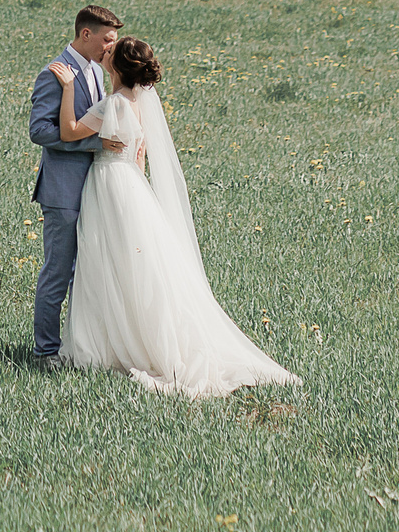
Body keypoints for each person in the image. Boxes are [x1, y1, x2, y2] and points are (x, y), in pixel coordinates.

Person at [47, 36, 301, 397]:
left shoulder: (114, 103)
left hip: (107, 183)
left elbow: (69, 131)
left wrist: (69, 88)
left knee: (106, 259)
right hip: (130, 184)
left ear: (117, 68)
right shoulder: (137, 103)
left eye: (110, 53)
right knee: (134, 263)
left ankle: (106, 344)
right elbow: (140, 155)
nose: (105, 53)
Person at [28, 6, 127, 368]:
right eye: (106, 39)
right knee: (58, 272)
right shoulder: (54, 73)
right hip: (63, 191)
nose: (109, 47)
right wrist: (95, 144)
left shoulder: (94, 73)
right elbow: (39, 131)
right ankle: (45, 352)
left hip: (93, 190)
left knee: (87, 274)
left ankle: (78, 348)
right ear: (86, 35)